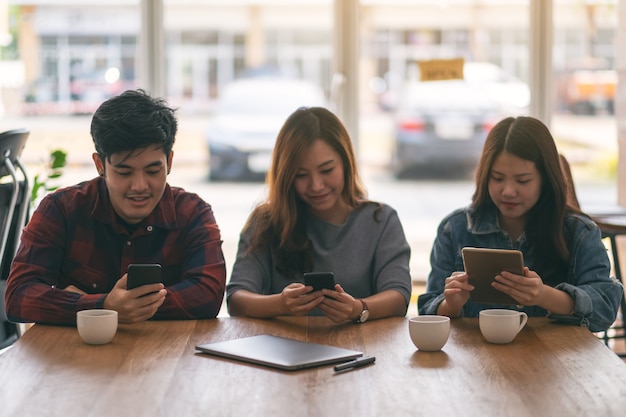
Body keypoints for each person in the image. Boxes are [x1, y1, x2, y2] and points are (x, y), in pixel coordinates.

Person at [5, 89, 226, 325]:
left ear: (169, 162)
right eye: (124, 172)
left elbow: (208, 295)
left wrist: (96, 305)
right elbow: (18, 297)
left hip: (166, 357)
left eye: (153, 171)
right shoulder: (62, 210)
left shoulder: (192, 213)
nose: (140, 186)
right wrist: (105, 305)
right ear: (100, 164)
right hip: (75, 358)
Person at [418, 116, 623, 332]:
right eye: (497, 178)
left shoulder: (579, 232)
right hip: (475, 359)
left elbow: (605, 311)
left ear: (545, 178)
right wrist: (451, 304)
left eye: (522, 180)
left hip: (555, 360)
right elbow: (427, 311)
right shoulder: (456, 228)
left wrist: (544, 295)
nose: (508, 191)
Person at [227, 106, 412, 323]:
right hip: (283, 349)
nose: (316, 186)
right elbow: (236, 298)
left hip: (362, 348)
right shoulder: (266, 222)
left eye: (327, 170)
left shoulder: (380, 220)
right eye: (301, 175)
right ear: (285, 176)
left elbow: (399, 297)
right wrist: (279, 304)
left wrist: (358, 308)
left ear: (346, 163)